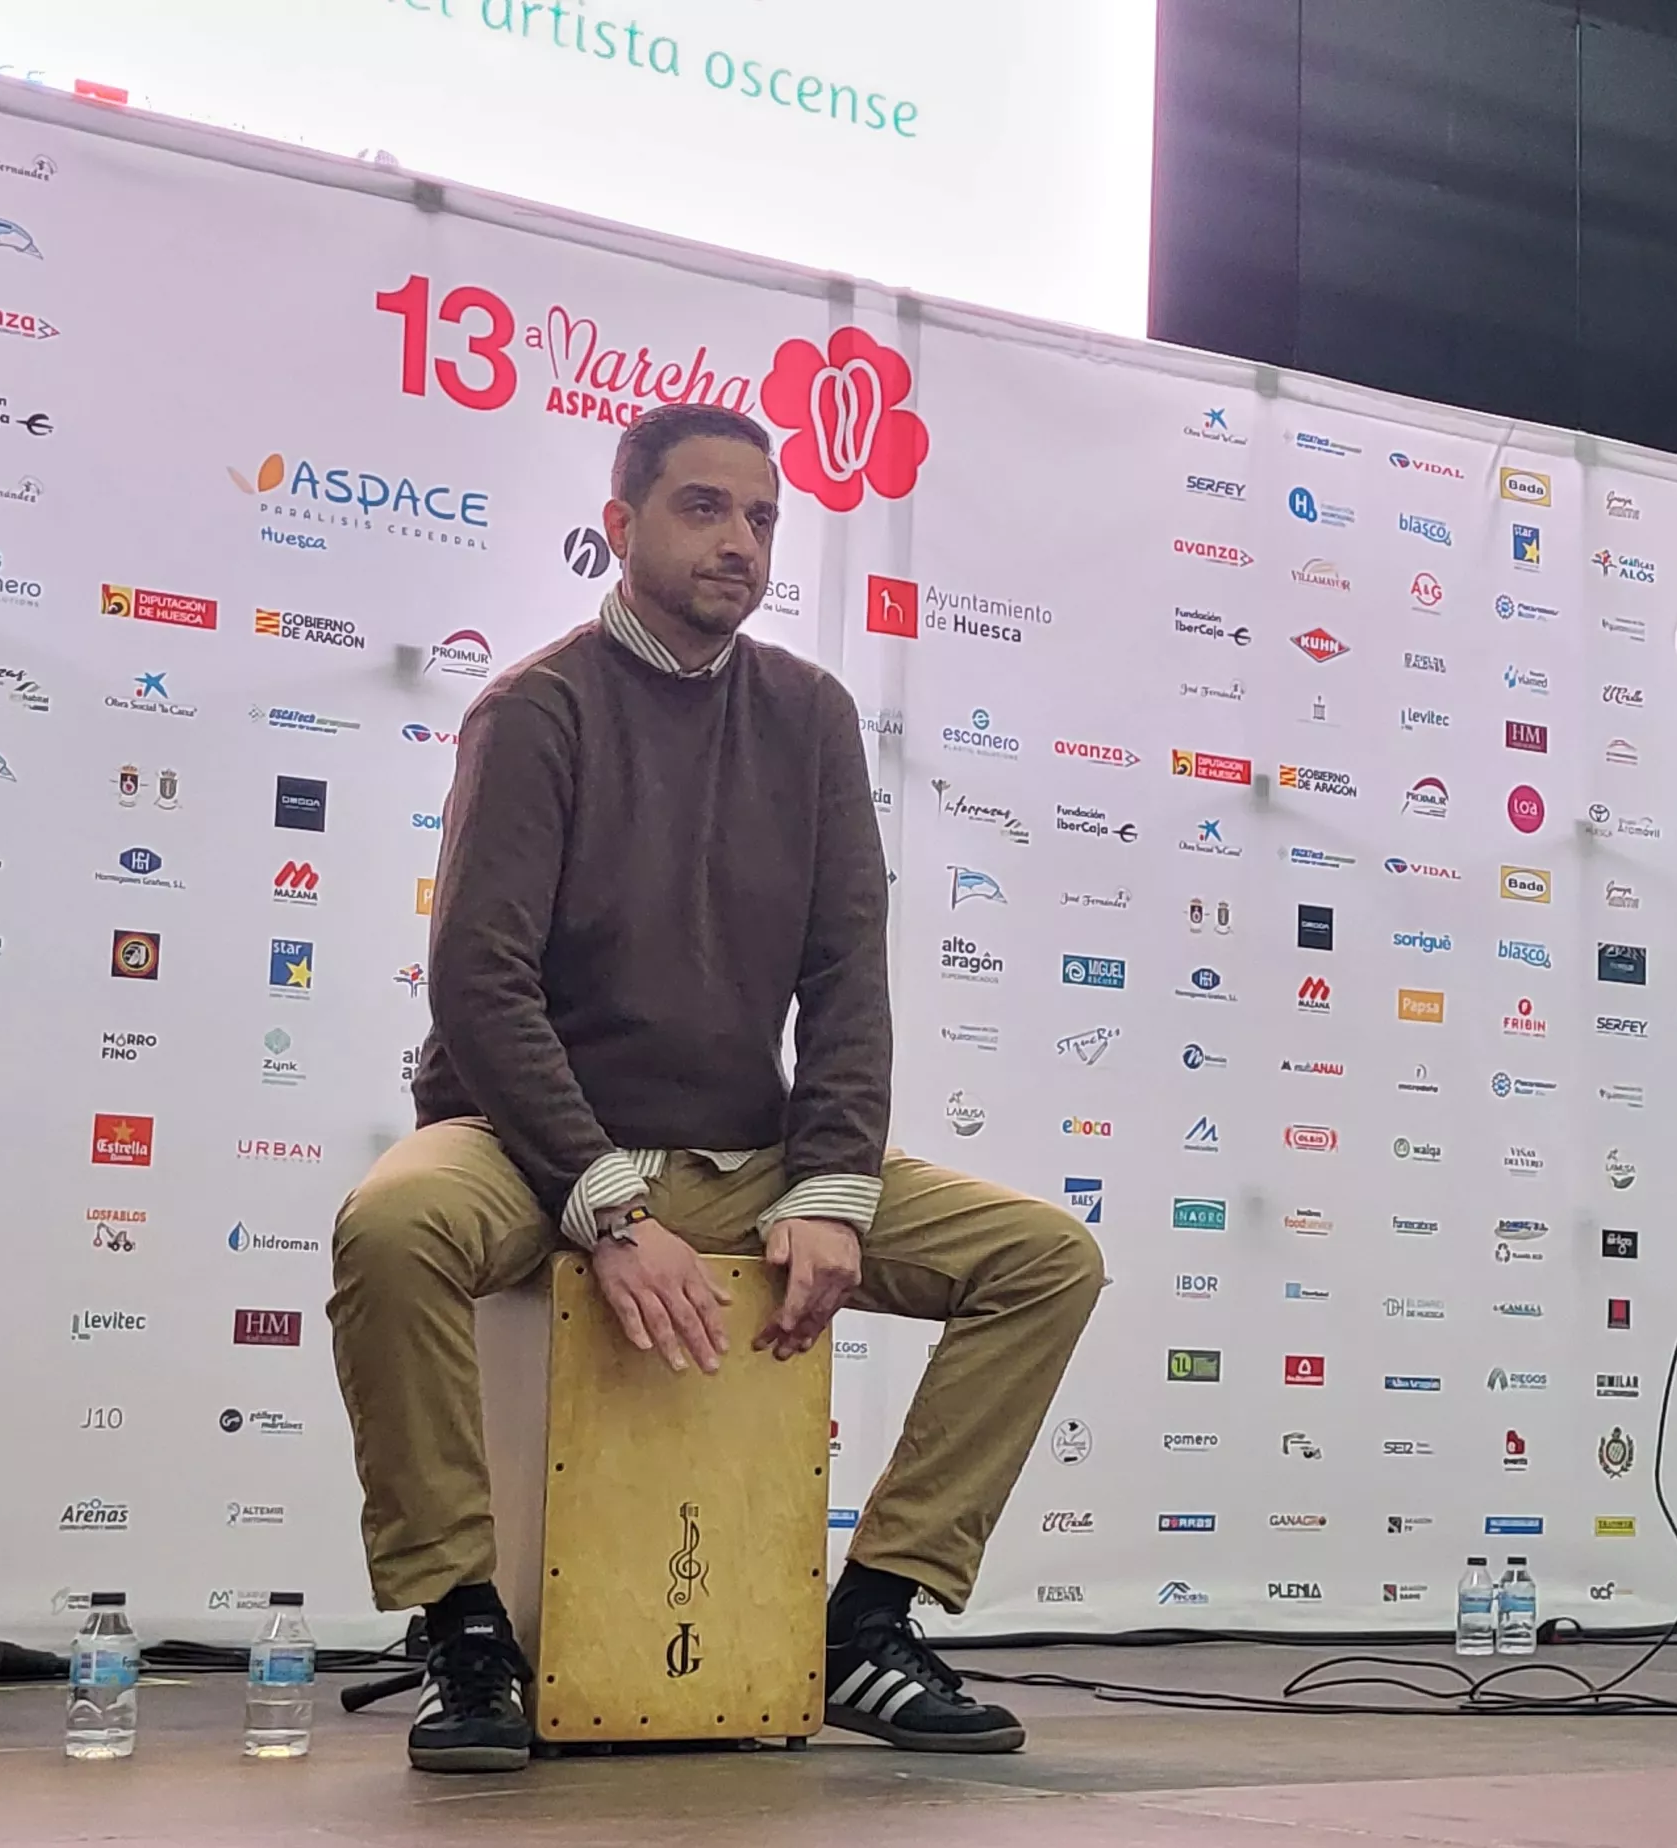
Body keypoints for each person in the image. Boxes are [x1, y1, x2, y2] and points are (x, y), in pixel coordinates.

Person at [332, 402, 1106, 1771]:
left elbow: (846, 981)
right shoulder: (537, 710)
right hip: (525, 1143)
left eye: (761, 517)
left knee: (1042, 1258)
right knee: (390, 1232)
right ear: (621, 527)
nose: (738, 541)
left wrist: (829, 1191)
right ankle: (460, 1629)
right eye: (702, 508)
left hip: (740, 1151)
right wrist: (609, 1208)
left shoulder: (809, 716)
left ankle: (867, 1620)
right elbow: (481, 989)